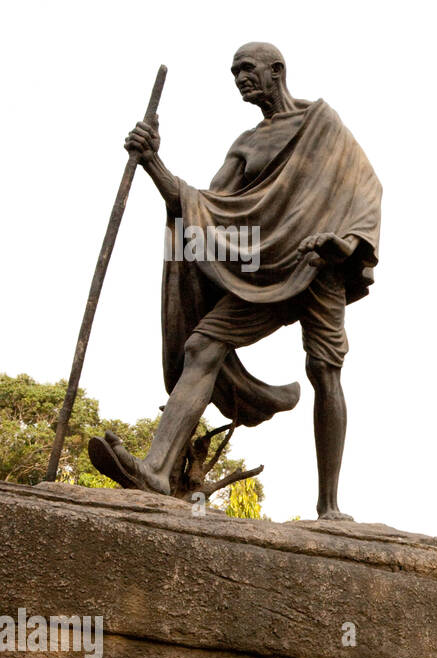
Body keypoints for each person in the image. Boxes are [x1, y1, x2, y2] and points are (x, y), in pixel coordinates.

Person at [89, 43, 381, 519]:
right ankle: (157, 470)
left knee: (325, 371)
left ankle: (329, 508)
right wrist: (152, 162)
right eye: (234, 73)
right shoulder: (247, 144)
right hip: (264, 269)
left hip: (318, 264)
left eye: (248, 70)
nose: (240, 79)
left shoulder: (324, 125)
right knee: (202, 346)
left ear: (277, 71)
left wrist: (346, 244)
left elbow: (366, 191)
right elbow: (201, 206)